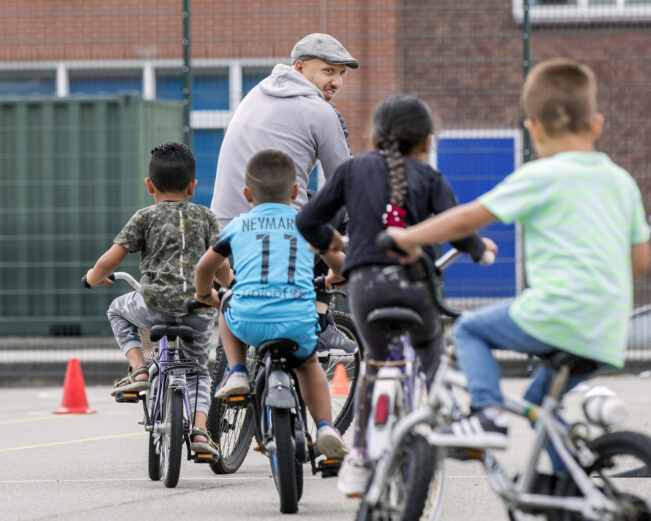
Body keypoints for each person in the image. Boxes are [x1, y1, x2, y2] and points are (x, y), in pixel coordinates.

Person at [383, 58, 651, 478]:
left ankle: (488, 414)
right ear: (597, 124)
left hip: (557, 314)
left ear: (534, 129)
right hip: (607, 327)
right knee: (537, 403)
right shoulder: (621, 182)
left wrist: (409, 237)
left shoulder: (540, 175)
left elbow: (468, 218)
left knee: (470, 330)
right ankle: (574, 486)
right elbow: (640, 261)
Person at [296, 95, 495, 496]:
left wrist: (336, 247)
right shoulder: (431, 179)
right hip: (416, 288)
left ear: (372, 137)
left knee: (376, 362)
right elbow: (458, 227)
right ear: (427, 142)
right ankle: (449, 419)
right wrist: (480, 250)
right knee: (429, 350)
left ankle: (362, 458)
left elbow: (307, 220)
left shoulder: (352, 170)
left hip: (366, 288)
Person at [210, 32, 360, 356]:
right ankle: (320, 317)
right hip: (281, 225)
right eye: (329, 71)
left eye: (341, 74)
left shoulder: (255, 94)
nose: (336, 81)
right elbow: (346, 182)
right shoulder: (320, 111)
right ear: (300, 67)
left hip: (226, 226)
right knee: (343, 210)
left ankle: (233, 375)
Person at [194, 148, 348, 459]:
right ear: (295, 191)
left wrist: (203, 295)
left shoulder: (237, 226)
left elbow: (204, 269)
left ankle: (236, 370)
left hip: (249, 320)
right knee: (307, 364)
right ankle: (326, 428)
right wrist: (334, 277)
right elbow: (340, 263)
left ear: (246, 194)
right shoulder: (308, 224)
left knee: (227, 302)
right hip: (298, 321)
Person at [86, 142, 231, 457]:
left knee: (117, 310)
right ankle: (200, 432)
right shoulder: (206, 217)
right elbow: (220, 268)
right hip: (198, 309)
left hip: (153, 305)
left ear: (149, 185)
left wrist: (94, 278)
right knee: (198, 371)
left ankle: (138, 370)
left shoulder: (144, 217)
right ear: (193, 187)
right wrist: (231, 285)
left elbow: (109, 262)